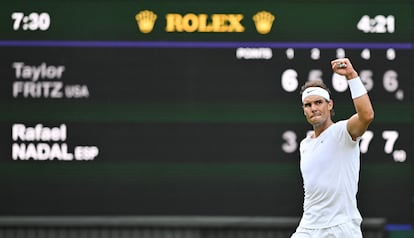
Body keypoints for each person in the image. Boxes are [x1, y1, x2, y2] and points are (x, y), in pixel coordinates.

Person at [291, 58, 374, 238]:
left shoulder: (342, 132)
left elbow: (366, 115)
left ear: (330, 105)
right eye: (308, 104)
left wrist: (351, 75)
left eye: (318, 102)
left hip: (341, 228)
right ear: (304, 110)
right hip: (308, 227)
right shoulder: (305, 145)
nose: (313, 108)